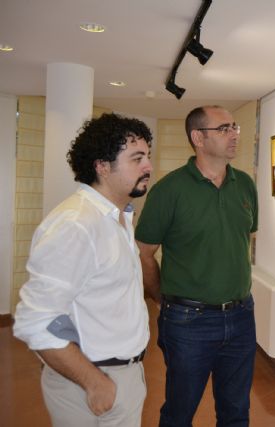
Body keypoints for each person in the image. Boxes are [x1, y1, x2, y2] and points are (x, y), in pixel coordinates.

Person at [13, 113, 153, 427]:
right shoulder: (77, 224)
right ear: (102, 166)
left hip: (124, 374)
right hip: (91, 381)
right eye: (137, 158)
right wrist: (94, 382)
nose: (148, 166)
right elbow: (35, 321)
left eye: (148, 156)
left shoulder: (118, 218)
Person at [135, 105, 258, 427]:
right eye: (224, 129)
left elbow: (244, 237)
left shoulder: (245, 185)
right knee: (179, 413)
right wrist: (161, 298)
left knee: (236, 412)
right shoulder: (169, 190)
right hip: (189, 321)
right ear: (198, 138)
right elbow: (144, 253)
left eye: (234, 127)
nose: (234, 134)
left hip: (241, 316)